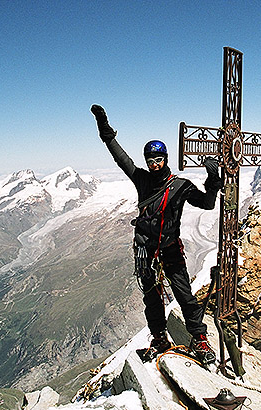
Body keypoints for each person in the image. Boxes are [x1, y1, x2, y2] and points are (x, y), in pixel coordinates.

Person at [91, 104, 221, 364]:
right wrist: (105, 130)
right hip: (146, 250)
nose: (154, 165)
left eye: (158, 160)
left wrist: (213, 179)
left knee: (184, 294)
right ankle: (159, 337)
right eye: (150, 160)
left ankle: (199, 339)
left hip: (169, 248)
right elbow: (121, 158)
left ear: (166, 159)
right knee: (152, 297)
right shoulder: (142, 179)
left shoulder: (180, 186)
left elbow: (207, 203)